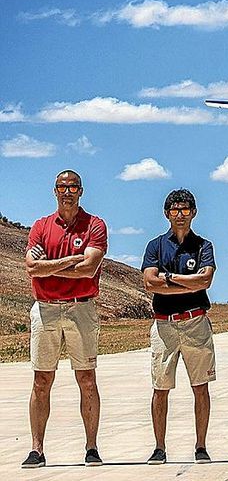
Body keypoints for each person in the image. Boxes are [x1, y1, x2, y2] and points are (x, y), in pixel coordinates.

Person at [22, 170, 107, 468]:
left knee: (86, 378)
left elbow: (88, 269)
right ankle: (36, 449)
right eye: (62, 186)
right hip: (45, 308)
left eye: (73, 187)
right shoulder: (41, 226)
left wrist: (49, 266)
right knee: (41, 380)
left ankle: (92, 447)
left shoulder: (94, 225)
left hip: (80, 308)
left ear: (81, 191)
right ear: (54, 190)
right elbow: (32, 267)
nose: (67, 191)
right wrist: (70, 260)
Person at [141, 189, 217, 465]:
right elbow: (150, 283)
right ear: (166, 214)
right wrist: (188, 281)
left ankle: (201, 446)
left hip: (195, 321)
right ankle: (159, 447)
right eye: (175, 210)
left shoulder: (203, 246)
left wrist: (170, 278)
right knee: (160, 387)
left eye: (185, 209)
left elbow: (205, 281)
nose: (180, 215)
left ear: (194, 212)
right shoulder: (155, 246)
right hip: (164, 326)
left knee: (201, 386)